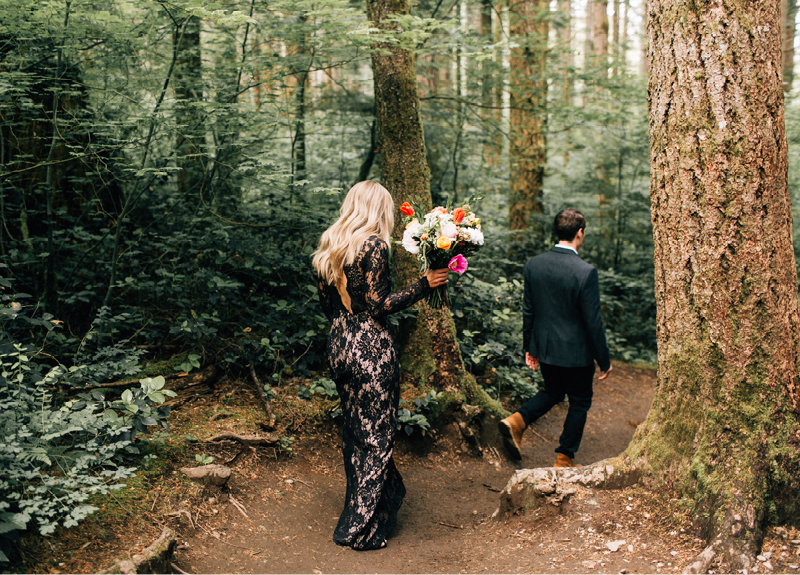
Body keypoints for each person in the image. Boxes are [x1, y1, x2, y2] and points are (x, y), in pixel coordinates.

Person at [312, 180, 449, 550]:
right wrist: (425, 284)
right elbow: (379, 305)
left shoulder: (331, 246)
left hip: (340, 343)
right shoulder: (373, 245)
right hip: (371, 349)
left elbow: (330, 308)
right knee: (377, 436)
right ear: (378, 209)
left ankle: (368, 508)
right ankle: (361, 530)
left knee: (356, 433)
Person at [499, 208, 612, 467]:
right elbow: (593, 322)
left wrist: (530, 346)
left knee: (553, 391)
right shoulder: (585, 272)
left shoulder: (534, 264)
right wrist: (603, 360)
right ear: (579, 233)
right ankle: (564, 458)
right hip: (577, 353)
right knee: (580, 401)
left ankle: (517, 421)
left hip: (547, 348)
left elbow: (529, 310)